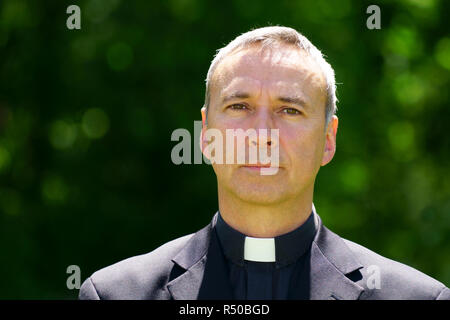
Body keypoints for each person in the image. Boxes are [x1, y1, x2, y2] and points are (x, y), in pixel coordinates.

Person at [79, 26, 449, 300]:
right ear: (207, 135)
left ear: (328, 140)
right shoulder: (116, 294)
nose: (260, 133)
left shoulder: (414, 297)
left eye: (289, 110)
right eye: (239, 106)